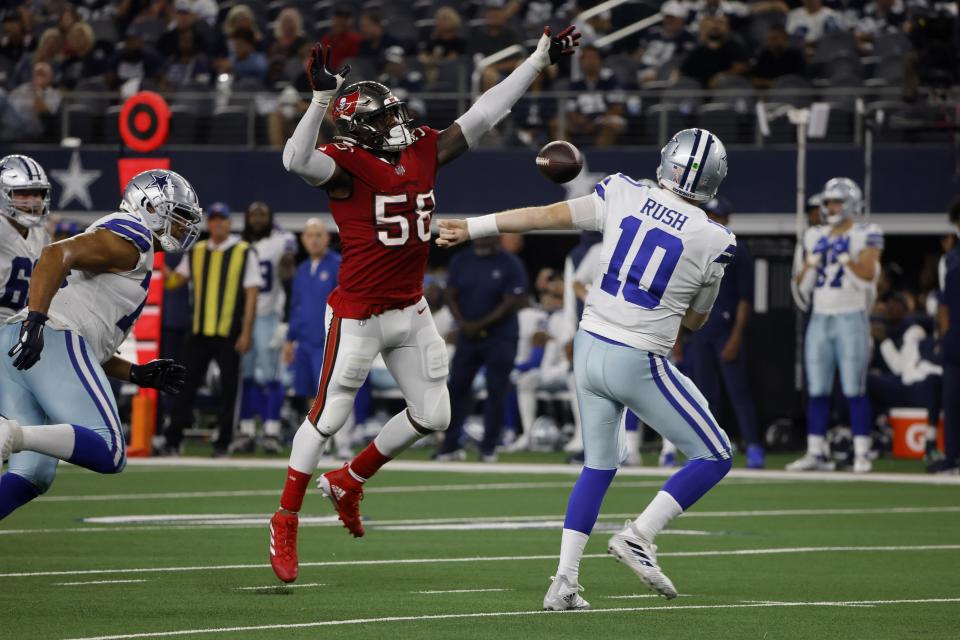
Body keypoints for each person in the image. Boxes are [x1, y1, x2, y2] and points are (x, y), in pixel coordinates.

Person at [270, 26, 580, 583]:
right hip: (359, 314)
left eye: (395, 112)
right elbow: (295, 159)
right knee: (330, 414)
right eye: (384, 118)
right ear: (359, 131)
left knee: (435, 415)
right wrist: (319, 98)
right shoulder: (344, 167)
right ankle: (285, 516)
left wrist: (536, 62)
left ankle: (349, 480)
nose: (397, 122)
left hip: (409, 308)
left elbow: (486, 113)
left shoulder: (421, 149)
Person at [435, 128, 735, 607]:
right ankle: (639, 535)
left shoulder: (623, 191)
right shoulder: (715, 239)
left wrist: (472, 227)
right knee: (715, 453)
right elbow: (694, 322)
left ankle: (565, 581)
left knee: (598, 465)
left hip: (589, 345)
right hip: (635, 356)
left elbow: (544, 216)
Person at [0, 169, 197, 519]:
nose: (182, 228)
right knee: (109, 448)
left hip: (23, 343)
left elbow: (86, 338)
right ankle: (12, 433)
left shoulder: (131, 253)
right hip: (47, 337)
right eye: (177, 217)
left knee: (33, 475)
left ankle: (15, 435)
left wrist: (134, 372)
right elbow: (53, 255)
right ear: (150, 208)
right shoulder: (132, 234)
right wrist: (37, 320)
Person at [790, 178, 883, 473]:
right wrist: (813, 261)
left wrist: (845, 258)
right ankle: (816, 451)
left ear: (851, 204)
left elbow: (868, 274)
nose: (830, 208)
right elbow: (799, 282)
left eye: (836, 202)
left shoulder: (867, 232)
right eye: (828, 202)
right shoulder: (814, 235)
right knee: (817, 388)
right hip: (820, 315)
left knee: (854, 387)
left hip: (851, 315)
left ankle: (862, 452)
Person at [159, 202, 262, 457]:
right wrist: (156, 262)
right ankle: (173, 439)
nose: (217, 223)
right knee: (184, 384)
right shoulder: (197, 251)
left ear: (229, 223)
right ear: (208, 224)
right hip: (199, 331)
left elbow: (252, 294)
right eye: (213, 219)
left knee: (229, 389)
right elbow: (175, 282)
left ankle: (223, 442)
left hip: (229, 332)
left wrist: (247, 331)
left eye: (222, 219)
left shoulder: (243, 251)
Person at [684, 196, 764, 468]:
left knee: (738, 391)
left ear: (726, 220)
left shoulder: (738, 251)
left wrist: (736, 336)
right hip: (700, 331)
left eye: (716, 217)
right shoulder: (694, 247)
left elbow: (745, 299)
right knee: (702, 394)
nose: (711, 220)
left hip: (725, 329)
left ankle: (753, 445)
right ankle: (707, 448)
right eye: (709, 215)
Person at [435, 236, 527, 461]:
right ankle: (450, 445)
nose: (483, 240)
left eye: (488, 235)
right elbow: (450, 293)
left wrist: (478, 324)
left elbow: (511, 301)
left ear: (496, 237)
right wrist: (463, 323)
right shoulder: (461, 259)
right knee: (457, 388)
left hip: (500, 336)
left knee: (496, 390)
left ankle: (489, 447)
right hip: (468, 335)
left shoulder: (510, 263)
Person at [235, 201, 296, 453]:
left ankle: (271, 430)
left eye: (263, 215)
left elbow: (288, 265)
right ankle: (247, 430)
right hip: (242, 316)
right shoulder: (239, 245)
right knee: (246, 375)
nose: (258, 219)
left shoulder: (281, 239)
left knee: (272, 376)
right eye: (253, 215)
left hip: (269, 314)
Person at [285, 218, 341, 416]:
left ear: (327, 238)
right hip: (305, 342)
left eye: (319, 235)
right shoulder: (301, 271)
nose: (314, 240)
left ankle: (341, 440)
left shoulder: (338, 265)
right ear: (303, 239)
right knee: (309, 391)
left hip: (328, 341)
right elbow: (296, 307)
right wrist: (290, 340)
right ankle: (318, 437)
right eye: (310, 235)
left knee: (331, 391)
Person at [680, 15, 749, 88]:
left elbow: (742, 67)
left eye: (721, 23)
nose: (716, 26)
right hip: (698, 92)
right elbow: (684, 71)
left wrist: (722, 76)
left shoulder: (735, 47)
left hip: (727, 90)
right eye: (713, 23)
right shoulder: (698, 50)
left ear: (728, 28)